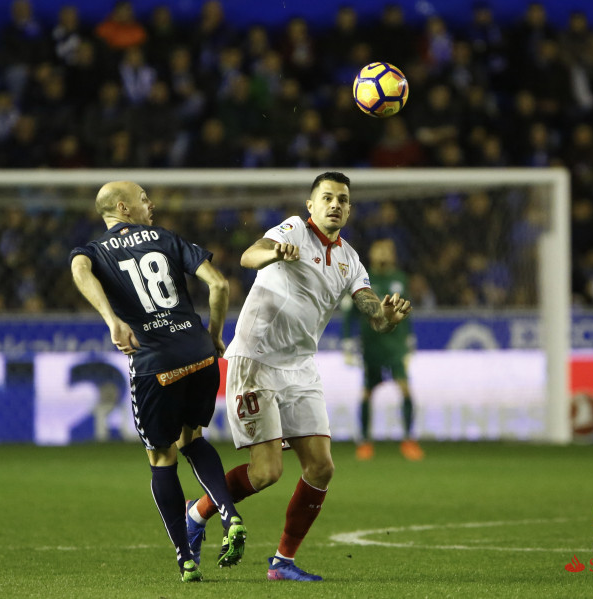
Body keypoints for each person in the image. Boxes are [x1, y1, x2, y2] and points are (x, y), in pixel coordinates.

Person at [185, 172, 412, 581]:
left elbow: (372, 311)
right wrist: (274, 253)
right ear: (311, 205)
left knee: (321, 467)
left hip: (301, 368)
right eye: (327, 197)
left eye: (342, 199)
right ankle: (197, 512)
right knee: (266, 472)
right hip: (256, 360)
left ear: (349, 209)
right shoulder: (293, 230)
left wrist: (386, 317)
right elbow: (248, 256)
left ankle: (282, 562)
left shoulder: (350, 260)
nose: (335, 204)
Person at [69, 181, 246, 582]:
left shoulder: (91, 252)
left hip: (155, 363)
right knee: (193, 438)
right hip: (199, 354)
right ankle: (229, 514)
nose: (150, 204)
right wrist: (215, 335)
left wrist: (113, 321)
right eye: (143, 199)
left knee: (162, 458)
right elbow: (219, 284)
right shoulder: (166, 238)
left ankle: (186, 559)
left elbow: (79, 270)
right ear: (122, 207)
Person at [342, 238, 422, 461]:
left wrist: (409, 340)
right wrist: (347, 342)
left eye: (388, 250)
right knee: (367, 392)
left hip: (395, 345)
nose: (384, 254)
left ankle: (409, 440)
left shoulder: (400, 279)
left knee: (405, 389)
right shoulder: (363, 279)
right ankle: (365, 442)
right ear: (372, 254)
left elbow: (406, 311)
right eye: (380, 250)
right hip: (372, 345)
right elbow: (349, 313)